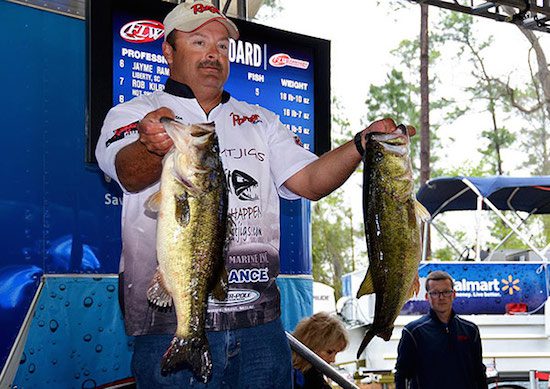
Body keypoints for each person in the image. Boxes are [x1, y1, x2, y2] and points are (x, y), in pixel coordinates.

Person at [96, 1, 407, 387]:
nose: (213, 54)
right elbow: (126, 172)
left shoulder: (262, 119)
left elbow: (310, 181)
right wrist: (151, 146)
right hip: (168, 323)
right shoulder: (133, 113)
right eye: (198, 42)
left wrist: (360, 144)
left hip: (260, 326)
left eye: (222, 46)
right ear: (168, 51)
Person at [394, 270, 488, 389]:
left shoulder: (470, 330)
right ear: (427, 297)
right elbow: (402, 374)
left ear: (454, 294)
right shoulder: (413, 332)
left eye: (446, 292)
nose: (441, 297)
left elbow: (479, 372)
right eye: (435, 293)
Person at [292, 312, 349, 389]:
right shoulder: (310, 376)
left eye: (336, 353)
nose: (333, 360)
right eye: (329, 352)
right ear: (313, 345)